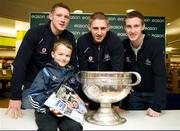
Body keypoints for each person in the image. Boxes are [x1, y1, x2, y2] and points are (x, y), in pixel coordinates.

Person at [6, 2, 77, 119]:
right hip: (33, 87)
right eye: (59, 15)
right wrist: (15, 96)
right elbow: (20, 65)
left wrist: (74, 97)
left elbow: (73, 67)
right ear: (50, 16)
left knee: (65, 115)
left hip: (59, 90)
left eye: (66, 17)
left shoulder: (69, 37)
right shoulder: (35, 33)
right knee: (31, 109)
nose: (63, 19)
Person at [28, 39, 84, 131]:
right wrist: (51, 106)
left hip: (66, 111)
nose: (63, 58)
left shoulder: (72, 73)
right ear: (53, 54)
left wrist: (79, 104)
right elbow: (33, 95)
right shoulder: (45, 72)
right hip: (46, 110)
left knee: (75, 127)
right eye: (60, 54)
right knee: (48, 129)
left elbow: (75, 94)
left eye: (67, 55)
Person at [77, 12, 124, 112]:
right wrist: (85, 101)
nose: (99, 32)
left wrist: (115, 103)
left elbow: (117, 73)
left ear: (108, 27)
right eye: (95, 28)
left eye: (102, 28)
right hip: (90, 89)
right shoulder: (82, 41)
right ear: (89, 27)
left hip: (110, 90)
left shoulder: (115, 41)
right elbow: (84, 73)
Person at [123, 10, 166, 117]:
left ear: (143, 27)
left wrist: (157, 106)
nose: (132, 30)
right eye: (129, 26)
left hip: (154, 94)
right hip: (135, 95)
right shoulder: (123, 45)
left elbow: (160, 76)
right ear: (125, 28)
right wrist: (125, 84)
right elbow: (122, 69)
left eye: (136, 26)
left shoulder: (155, 44)